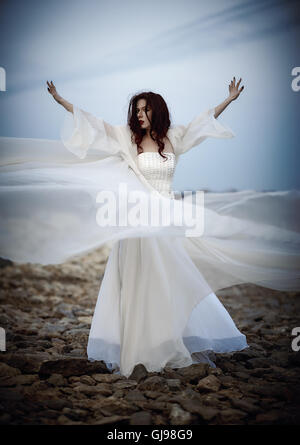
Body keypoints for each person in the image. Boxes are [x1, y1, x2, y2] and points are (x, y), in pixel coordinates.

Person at [0, 79, 299, 378]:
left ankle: (168, 341)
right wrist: (61, 100)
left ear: (157, 111)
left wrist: (229, 99)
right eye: (137, 110)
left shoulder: (175, 137)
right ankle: (139, 351)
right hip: (138, 222)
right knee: (138, 283)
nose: (140, 115)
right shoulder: (126, 138)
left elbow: (202, 122)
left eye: (145, 110)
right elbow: (94, 125)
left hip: (166, 220)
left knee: (169, 280)